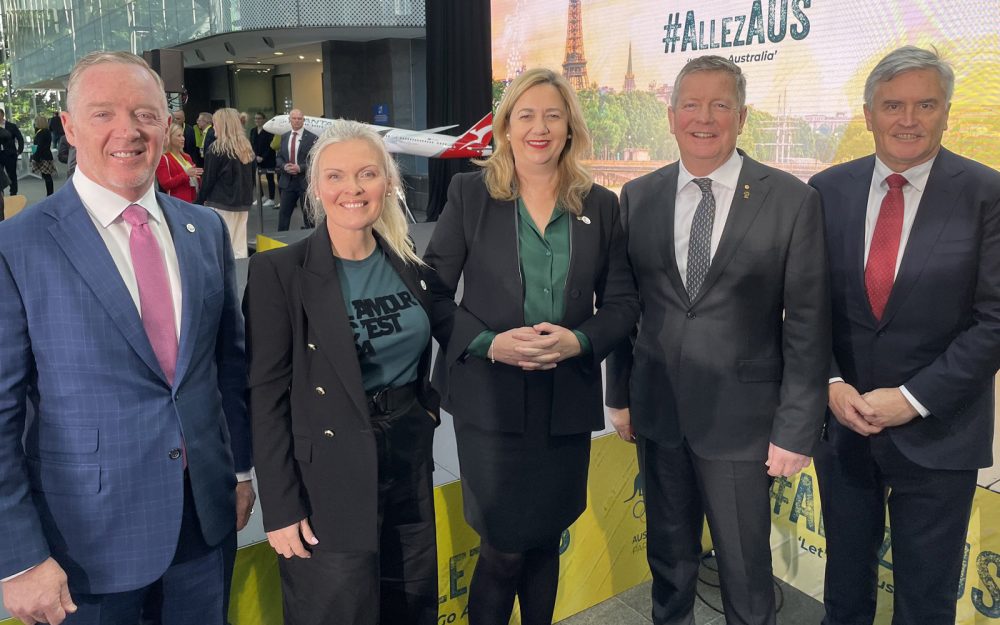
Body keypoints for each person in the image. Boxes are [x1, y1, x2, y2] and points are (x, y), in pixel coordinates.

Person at [0, 51, 254, 625]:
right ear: (68, 126)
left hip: (204, 523)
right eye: (102, 114)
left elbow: (227, 367)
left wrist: (238, 471)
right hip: (83, 546)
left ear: (167, 125)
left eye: (145, 113)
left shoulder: (204, 230)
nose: (128, 131)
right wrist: (17, 559)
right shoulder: (18, 247)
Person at [605, 55, 830, 625]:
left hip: (742, 420)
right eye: (690, 104)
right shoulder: (638, 196)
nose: (704, 118)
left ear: (742, 115)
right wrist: (620, 395)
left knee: (745, 569)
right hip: (658, 412)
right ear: (672, 114)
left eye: (719, 105)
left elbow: (807, 323)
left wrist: (797, 427)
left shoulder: (790, 199)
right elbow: (624, 308)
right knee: (669, 558)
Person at [423, 67, 639, 625]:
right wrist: (491, 344)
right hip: (490, 405)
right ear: (506, 127)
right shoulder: (471, 194)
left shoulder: (602, 205)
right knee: (504, 547)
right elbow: (433, 293)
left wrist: (579, 340)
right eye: (526, 115)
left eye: (553, 115)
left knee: (547, 538)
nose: (539, 128)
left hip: (562, 404)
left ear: (570, 127)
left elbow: (622, 304)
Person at [810, 46, 1000, 625]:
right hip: (842, 424)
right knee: (844, 583)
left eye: (925, 105)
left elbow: (995, 318)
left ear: (947, 111)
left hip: (940, 429)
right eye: (892, 105)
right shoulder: (825, 190)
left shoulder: (987, 194)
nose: (908, 120)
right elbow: (801, 306)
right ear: (868, 114)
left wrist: (912, 399)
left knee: (926, 596)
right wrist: (830, 382)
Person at [244, 119, 440, 625]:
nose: (351, 189)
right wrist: (281, 507)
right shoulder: (279, 274)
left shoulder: (408, 264)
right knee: (338, 609)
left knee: (410, 601)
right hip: (325, 476)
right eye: (335, 177)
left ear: (389, 183)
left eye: (367, 174)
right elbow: (265, 398)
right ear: (315, 188)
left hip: (407, 460)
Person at [197, 108, 254, 258]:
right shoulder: (246, 147)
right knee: (239, 247)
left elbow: (208, 180)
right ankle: (240, 278)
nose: (213, 126)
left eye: (215, 123)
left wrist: (198, 200)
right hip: (242, 202)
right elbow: (250, 178)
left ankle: (226, 280)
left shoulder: (216, 149)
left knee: (221, 247)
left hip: (221, 202)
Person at [276, 109, 317, 230]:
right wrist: (284, 166)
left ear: (303, 120)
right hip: (287, 182)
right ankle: (281, 240)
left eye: (300, 118)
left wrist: (300, 167)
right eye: (294, 118)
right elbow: (279, 157)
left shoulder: (312, 138)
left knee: (309, 217)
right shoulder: (284, 137)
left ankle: (311, 241)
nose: (297, 121)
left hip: (304, 182)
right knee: (283, 215)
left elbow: (315, 159)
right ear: (289, 120)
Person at [156, 123, 202, 203]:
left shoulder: (187, 157)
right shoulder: (163, 158)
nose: (183, 138)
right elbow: (165, 184)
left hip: (193, 200)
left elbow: (193, 177)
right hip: (177, 202)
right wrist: (186, 174)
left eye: (183, 135)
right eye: (179, 136)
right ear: (169, 138)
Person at [250, 112, 277, 207]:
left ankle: (271, 198)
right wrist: (255, 156)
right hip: (256, 158)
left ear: (264, 119)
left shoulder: (269, 131)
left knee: (270, 178)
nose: (257, 120)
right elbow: (251, 145)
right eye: (256, 118)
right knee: (256, 178)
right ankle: (261, 196)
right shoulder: (253, 131)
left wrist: (263, 157)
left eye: (259, 118)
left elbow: (270, 146)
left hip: (268, 158)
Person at [30, 113, 56, 196]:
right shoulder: (45, 131)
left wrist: (35, 158)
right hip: (46, 155)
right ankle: (50, 194)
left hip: (43, 157)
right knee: (47, 176)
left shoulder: (42, 132)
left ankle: (50, 194)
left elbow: (40, 146)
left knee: (47, 176)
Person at [0, 108, 24, 195]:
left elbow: (20, 138)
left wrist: (19, 150)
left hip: (9, 154)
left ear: (2, 115)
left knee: (12, 174)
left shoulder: (11, 126)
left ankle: (13, 192)